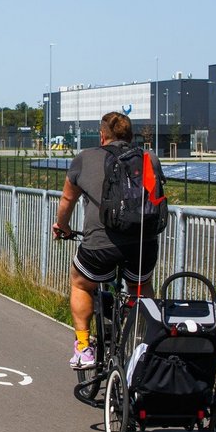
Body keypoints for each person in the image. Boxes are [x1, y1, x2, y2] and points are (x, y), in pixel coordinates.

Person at [51, 112, 161, 369]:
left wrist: (63, 227)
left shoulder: (85, 158)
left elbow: (67, 200)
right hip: (143, 245)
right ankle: (143, 346)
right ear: (131, 137)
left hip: (100, 245)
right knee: (141, 286)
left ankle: (83, 348)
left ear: (102, 136)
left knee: (80, 282)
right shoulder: (149, 159)